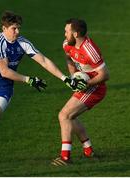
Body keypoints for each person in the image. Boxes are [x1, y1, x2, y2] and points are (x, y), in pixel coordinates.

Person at [0, 11, 76, 166]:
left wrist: (65, 79)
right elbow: (4, 71)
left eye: (18, 28)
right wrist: (29, 80)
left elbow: (43, 60)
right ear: (4, 28)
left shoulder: (22, 42)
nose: (17, 32)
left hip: (3, 89)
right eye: (13, 29)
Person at [51, 18, 109, 166]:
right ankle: (88, 150)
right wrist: (73, 77)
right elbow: (69, 58)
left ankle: (65, 157)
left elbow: (105, 75)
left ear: (75, 34)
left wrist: (85, 83)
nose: (64, 34)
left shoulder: (90, 50)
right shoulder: (67, 44)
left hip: (96, 88)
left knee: (64, 115)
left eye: (67, 31)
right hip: (85, 84)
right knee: (70, 116)